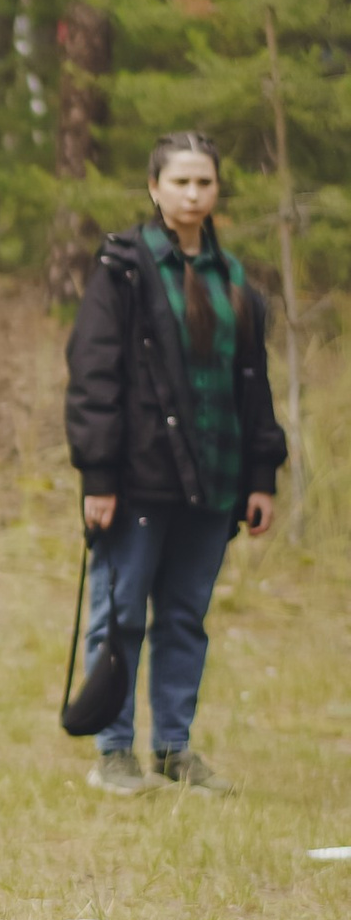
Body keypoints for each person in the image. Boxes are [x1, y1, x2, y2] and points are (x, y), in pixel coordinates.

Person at [64, 130, 283, 793]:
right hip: (136, 481)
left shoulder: (235, 279)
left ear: (216, 192)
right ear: (154, 188)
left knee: (185, 617)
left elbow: (252, 383)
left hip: (214, 480)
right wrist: (98, 478)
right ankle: (115, 753)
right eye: (180, 181)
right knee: (122, 614)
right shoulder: (122, 268)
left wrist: (261, 477)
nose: (193, 193)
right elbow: (93, 378)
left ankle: (173, 748)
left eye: (204, 182)